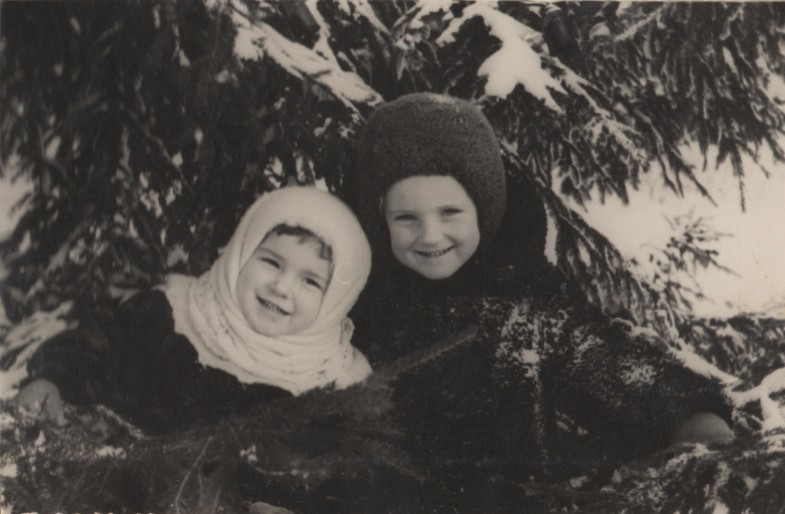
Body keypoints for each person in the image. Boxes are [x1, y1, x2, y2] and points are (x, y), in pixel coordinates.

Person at [347, 93, 734, 509]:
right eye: (406, 218)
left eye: (450, 213)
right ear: (379, 219)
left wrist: (689, 414)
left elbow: (605, 359)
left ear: (485, 209)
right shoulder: (358, 305)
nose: (430, 235)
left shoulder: (526, 304)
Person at [17, 186, 373, 435]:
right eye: (271, 262)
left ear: (336, 301)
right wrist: (52, 378)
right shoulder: (170, 314)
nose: (281, 288)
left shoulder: (338, 385)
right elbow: (94, 349)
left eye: (310, 281)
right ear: (239, 252)